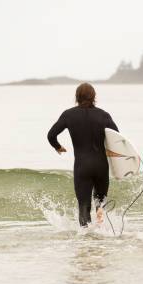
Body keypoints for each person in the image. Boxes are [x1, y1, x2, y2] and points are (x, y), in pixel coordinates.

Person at [47, 83, 118, 228]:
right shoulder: (103, 115)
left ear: (77, 97)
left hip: (82, 166)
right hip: (101, 165)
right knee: (100, 202)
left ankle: (86, 239)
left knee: (84, 206)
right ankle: (100, 227)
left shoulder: (69, 115)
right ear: (94, 97)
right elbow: (117, 137)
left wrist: (58, 147)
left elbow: (51, 135)